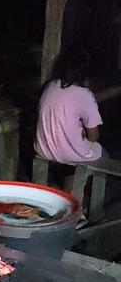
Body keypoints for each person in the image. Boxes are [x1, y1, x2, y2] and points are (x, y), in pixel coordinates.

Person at [34, 50, 104, 191]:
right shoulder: (85, 95)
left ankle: (65, 192)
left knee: (70, 151)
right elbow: (94, 136)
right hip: (67, 154)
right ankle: (81, 201)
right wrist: (83, 131)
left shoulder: (49, 86)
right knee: (101, 153)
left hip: (44, 149)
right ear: (87, 76)